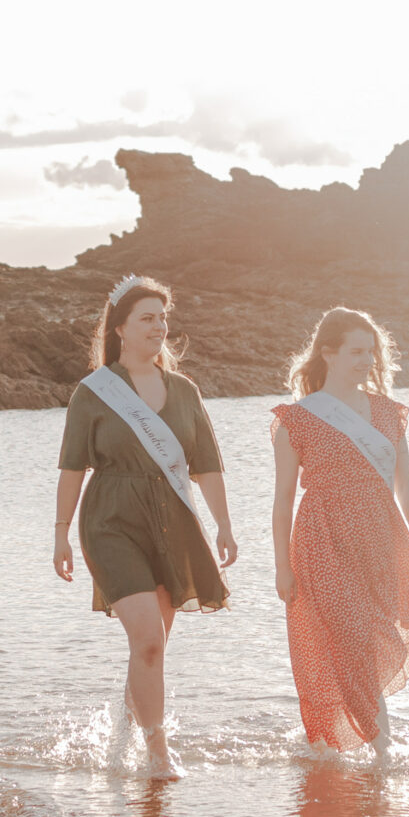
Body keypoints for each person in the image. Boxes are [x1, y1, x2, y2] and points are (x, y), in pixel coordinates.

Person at [54, 274, 238, 778]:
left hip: (172, 522)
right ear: (120, 329)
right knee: (150, 640)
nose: (160, 327)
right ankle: (157, 752)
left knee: (149, 646)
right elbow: (73, 466)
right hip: (110, 521)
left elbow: (206, 464)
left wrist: (222, 524)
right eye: (148, 318)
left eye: (163, 317)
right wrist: (60, 533)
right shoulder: (93, 393)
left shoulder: (184, 391)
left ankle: (124, 730)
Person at [270, 307, 409, 761]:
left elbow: (405, 483)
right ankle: (381, 746)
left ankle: (343, 742)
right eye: (356, 351)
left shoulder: (389, 414)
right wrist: (281, 566)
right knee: (349, 634)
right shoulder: (297, 419)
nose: (366, 361)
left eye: (371, 352)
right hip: (321, 538)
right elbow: (281, 500)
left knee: (373, 637)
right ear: (328, 353)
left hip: (380, 536)